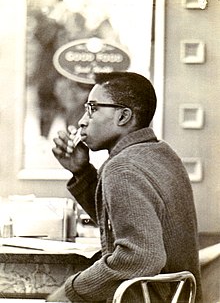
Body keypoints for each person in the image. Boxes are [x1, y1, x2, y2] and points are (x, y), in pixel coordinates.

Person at [48, 72, 203, 302]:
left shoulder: (123, 168)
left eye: (92, 108)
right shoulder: (161, 154)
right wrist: (82, 171)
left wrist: (72, 290)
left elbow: (140, 258)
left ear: (123, 116)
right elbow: (124, 217)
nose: (82, 120)